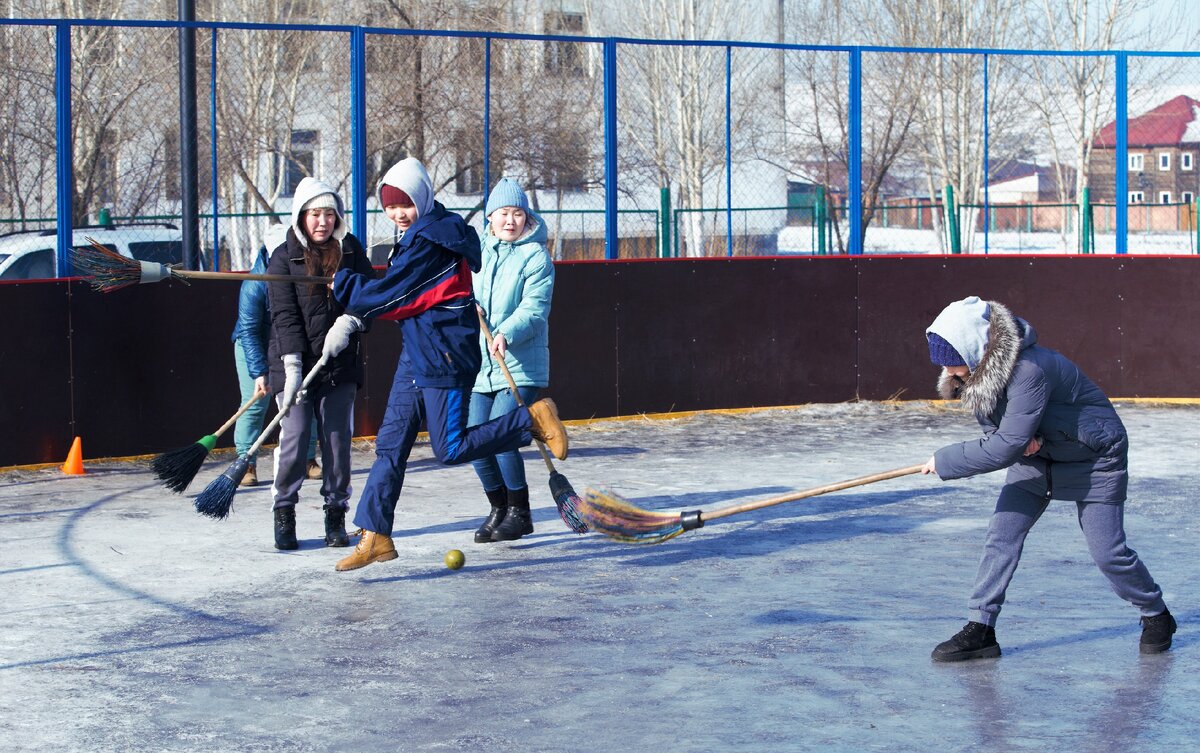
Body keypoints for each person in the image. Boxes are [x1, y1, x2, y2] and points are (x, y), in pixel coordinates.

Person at [323, 157, 568, 572]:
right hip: (417, 353)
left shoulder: (434, 241)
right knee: (390, 445)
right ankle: (375, 533)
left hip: (444, 356)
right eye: (390, 206)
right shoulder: (418, 234)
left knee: (449, 447)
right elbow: (397, 293)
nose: (398, 214)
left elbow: (393, 295)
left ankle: (530, 420)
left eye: (405, 204)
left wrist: (345, 286)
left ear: (422, 197)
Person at [921, 296, 1176, 661]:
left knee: (1109, 554)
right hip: (1039, 459)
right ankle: (981, 629)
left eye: (954, 362)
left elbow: (1004, 446)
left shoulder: (1029, 370)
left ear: (975, 348)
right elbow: (1002, 434)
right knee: (1001, 536)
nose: (951, 373)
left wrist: (944, 460)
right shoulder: (976, 377)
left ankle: (1156, 614)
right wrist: (1029, 440)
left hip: (1094, 458)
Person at [265, 177, 375, 551]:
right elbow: (283, 315)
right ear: (301, 216)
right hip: (293, 362)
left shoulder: (352, 251)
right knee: (295, 440)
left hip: (339, 363)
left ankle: (335, 513)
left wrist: (350, 321)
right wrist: (293, 366)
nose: (322, 222)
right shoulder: (283, 257)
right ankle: (284, 511)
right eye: (315, 214)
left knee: (337, 441)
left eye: (329, 214)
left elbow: (369, 298)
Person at [468, 178, 554, 543]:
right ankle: (499, 508)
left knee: (501, 437)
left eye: (517, 213)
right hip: (480, 365)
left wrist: (506, 332)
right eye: (503, 213)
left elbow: (535, 308)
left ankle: (521, 512)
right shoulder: (478, 252)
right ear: (490, 217)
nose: (510, 220)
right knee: (471, 441)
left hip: (518, 364)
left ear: (527, 217)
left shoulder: (536, 256)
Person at [232, 223, 320, 488]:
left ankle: (307, 458)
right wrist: (259, 372)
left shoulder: (302, 273)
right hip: (255, 344)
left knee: (303, 398)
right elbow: (248, 331)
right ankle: (245, 460)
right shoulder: (254, 285)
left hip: (290, 341)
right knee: (255, 402)